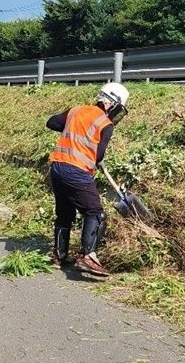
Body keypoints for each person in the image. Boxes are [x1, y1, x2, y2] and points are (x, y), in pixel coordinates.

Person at [45, 82, 129, 277]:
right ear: (111, 104)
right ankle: (87, 256)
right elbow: (98, 156)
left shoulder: (76, 111)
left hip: (57, 168)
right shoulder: (105, 124)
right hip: (76, 172)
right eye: (118, 109)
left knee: (64, 214)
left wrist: (75, 131)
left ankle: (59, 255)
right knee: (95, 213)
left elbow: (52, 122)